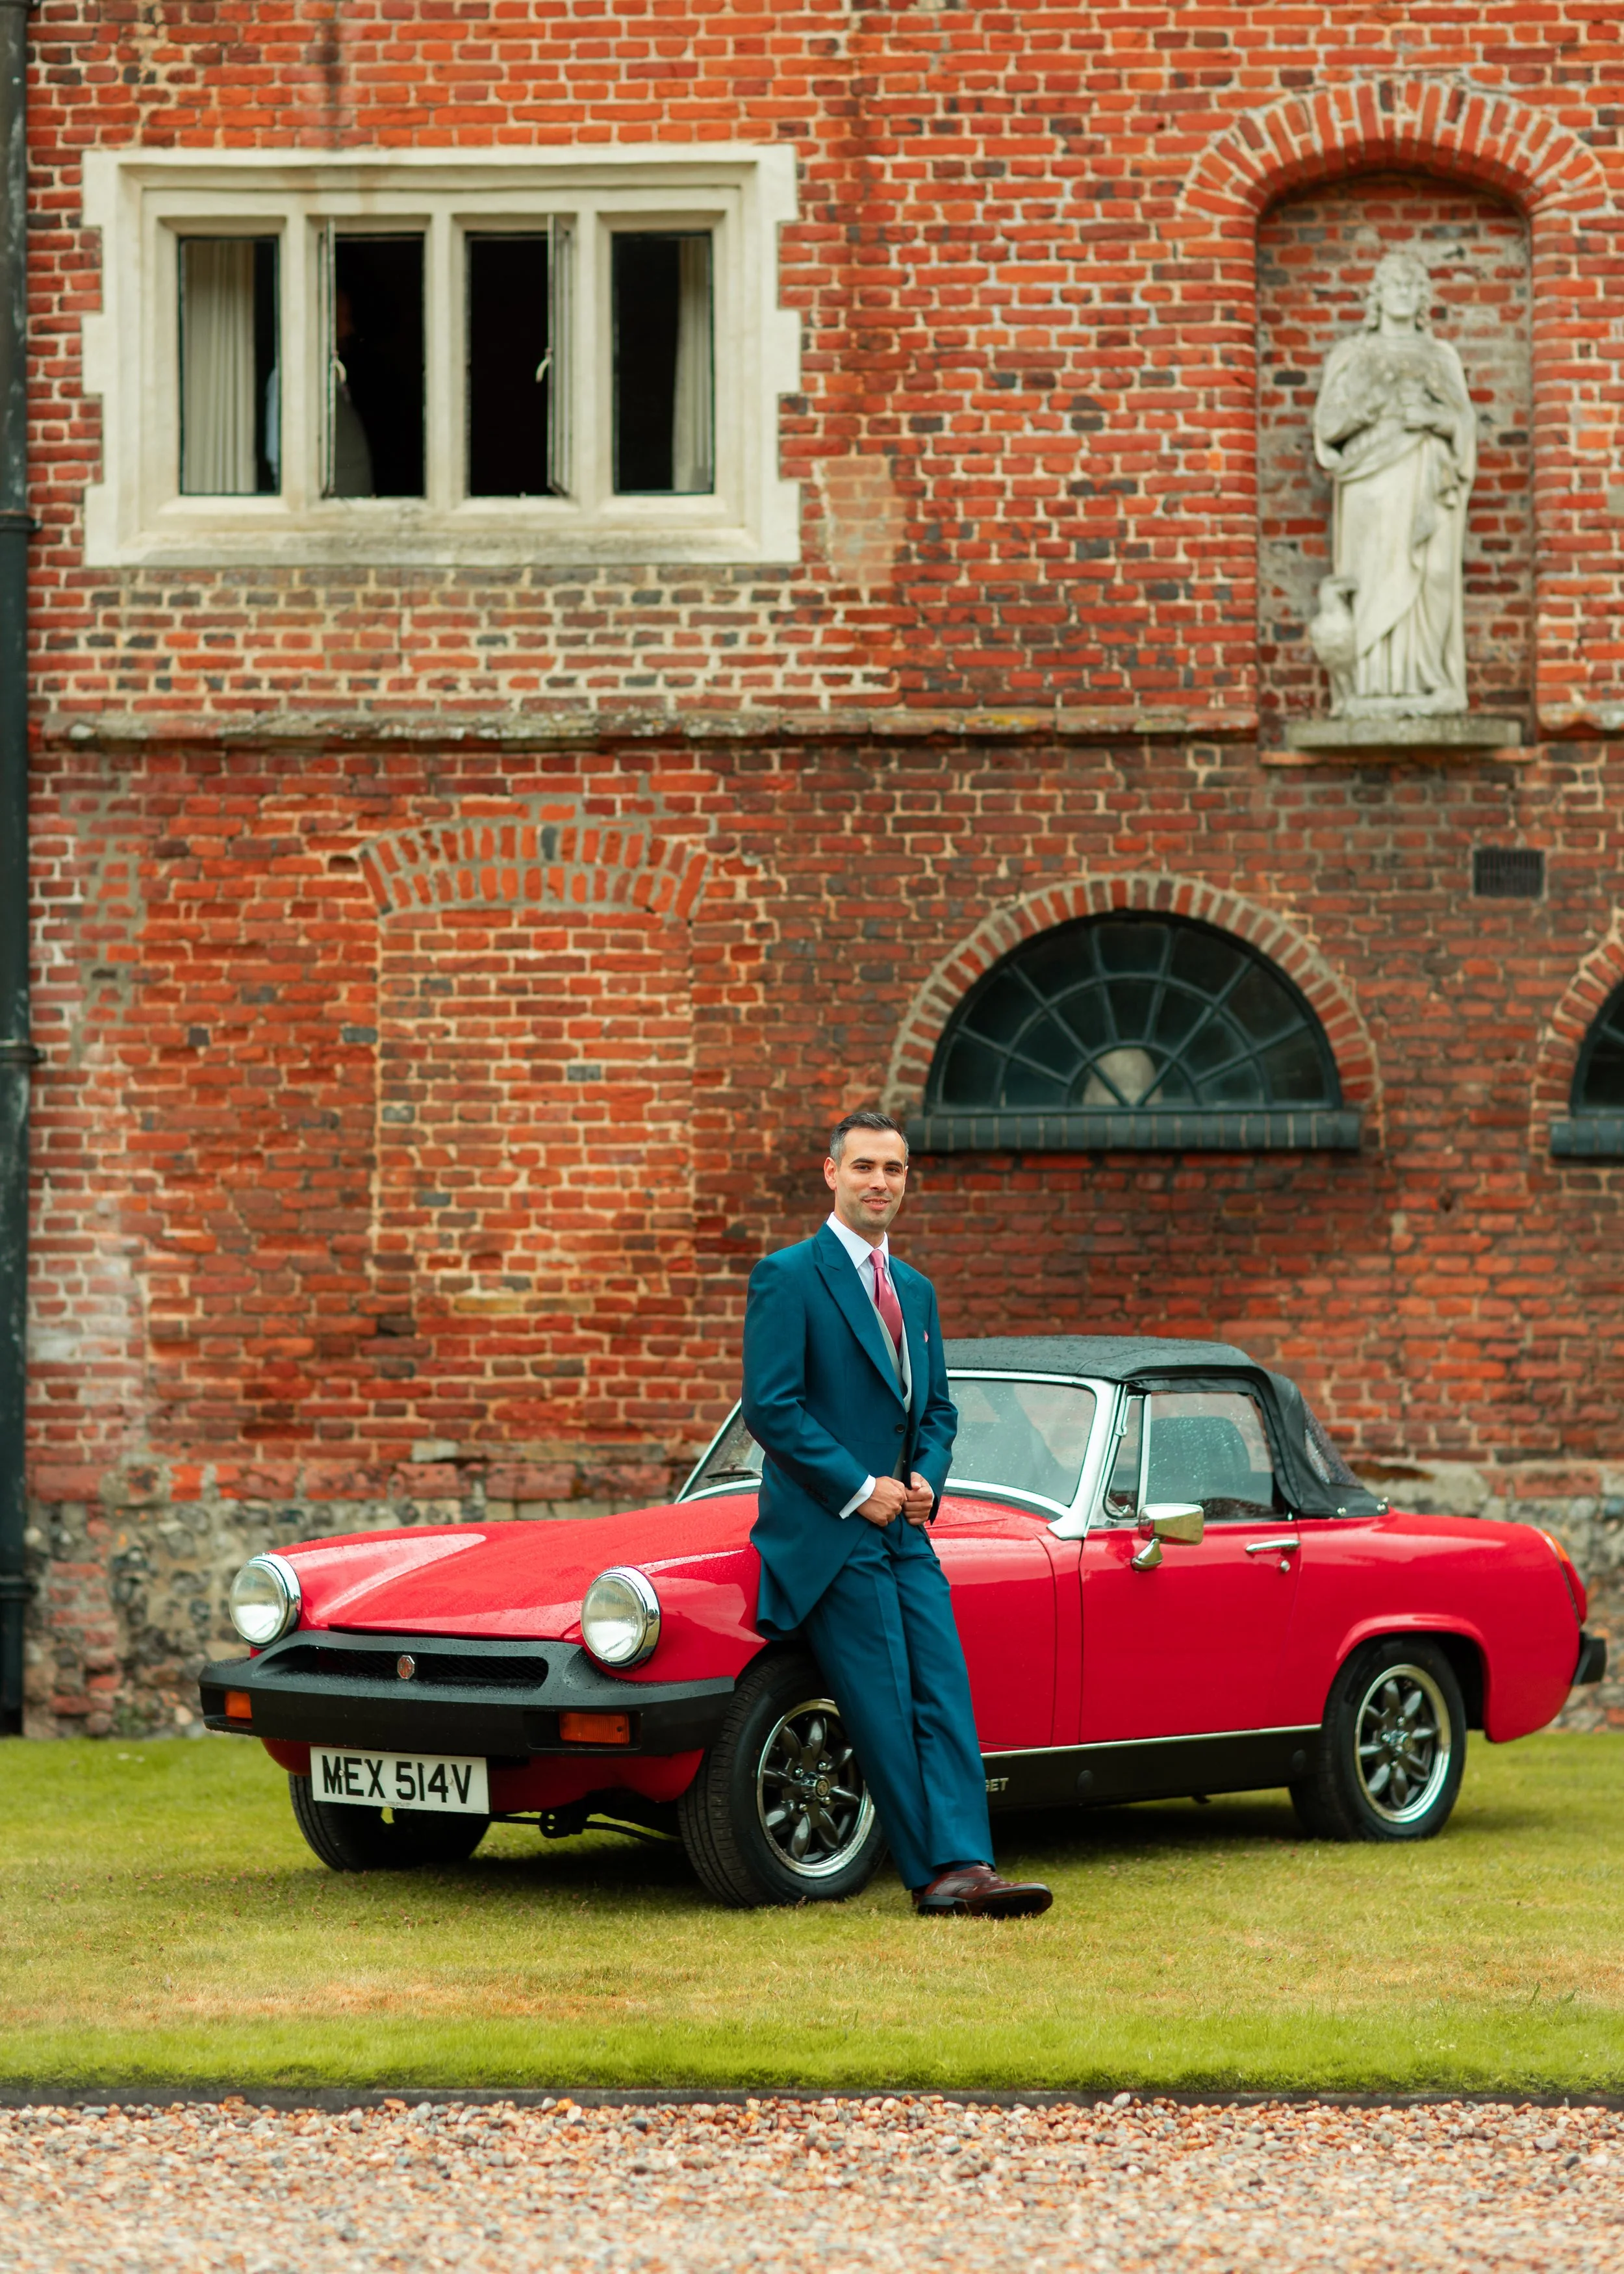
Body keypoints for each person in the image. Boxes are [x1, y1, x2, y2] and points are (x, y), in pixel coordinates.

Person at [740, 1108, 1052, 1920]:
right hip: (830, 1530)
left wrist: (924, 1478)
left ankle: (971, 1860)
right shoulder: (787, 1275)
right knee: (883, 1698)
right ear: (831, 1173)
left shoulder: (914, 1289)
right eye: (866, 1166)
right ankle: (937, 1875)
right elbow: (772, 1410)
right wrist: (859, 1486)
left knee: (943, 1688)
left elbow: (939, 1411)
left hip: (906, 1527)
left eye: (896, 1169)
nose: (881, 1182)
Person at [1310, 248, 1475, 716]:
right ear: (1377, 296)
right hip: (1371, 479)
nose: (1403, 293)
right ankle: (1370, 686)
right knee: (1373, 574)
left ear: (1423, 297)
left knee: (1434, 573)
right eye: (1394, 285)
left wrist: (1433, 417)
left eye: (1412, 285)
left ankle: (1430, 680)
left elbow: (1464, 425)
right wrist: (1371, 407)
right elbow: (1328, 427)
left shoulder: (1440, 355)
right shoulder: (1353, 354)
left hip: (1427, 475)